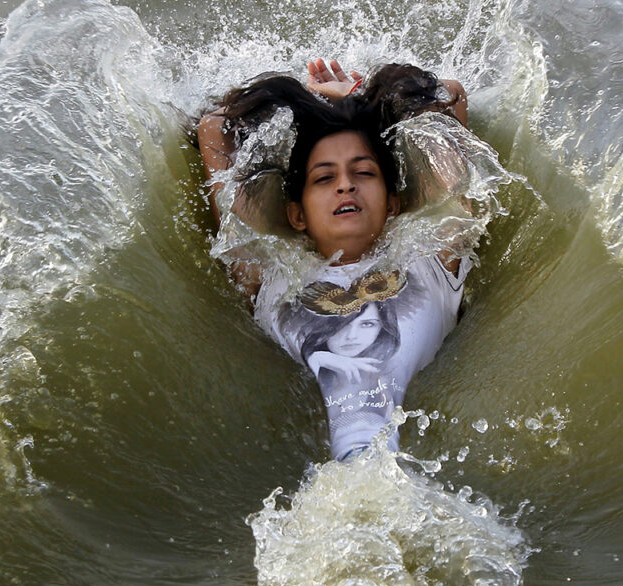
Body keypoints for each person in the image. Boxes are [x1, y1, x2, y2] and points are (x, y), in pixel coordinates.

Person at [197, 59, 474, 460]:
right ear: (297, 215)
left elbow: (451, 93)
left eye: (363, 173)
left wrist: (360, 99)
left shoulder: (432, 258)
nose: (345, 185)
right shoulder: (268, 272)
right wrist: (312, 104)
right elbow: (214, 128)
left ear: (392, 203)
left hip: (401, 477)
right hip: (327, 492)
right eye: (325, 178)